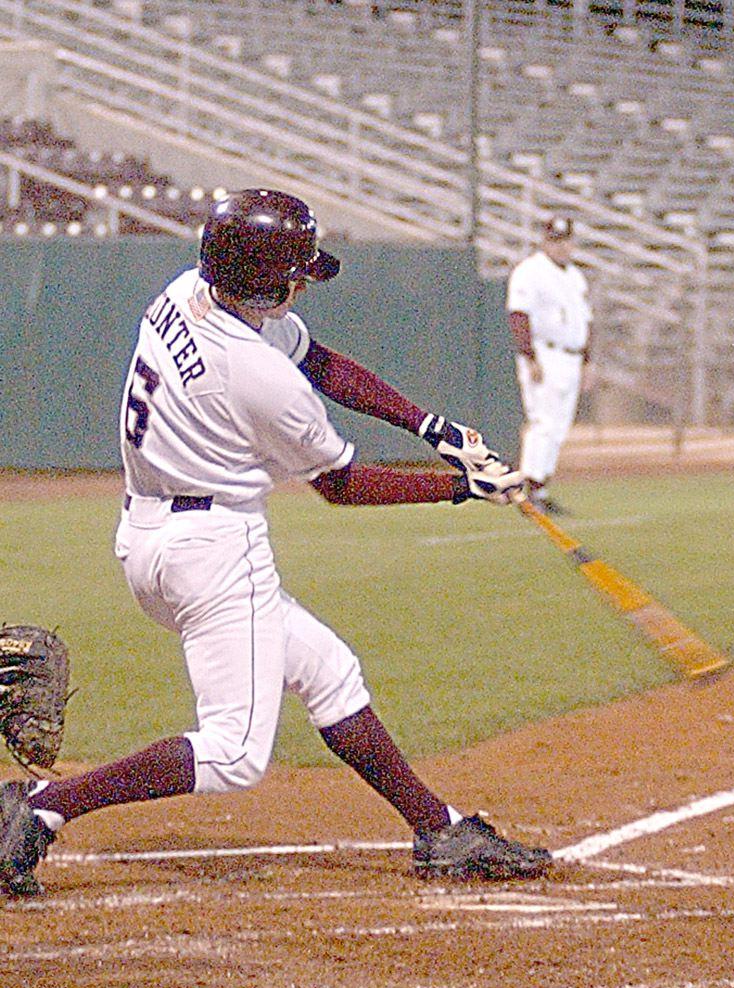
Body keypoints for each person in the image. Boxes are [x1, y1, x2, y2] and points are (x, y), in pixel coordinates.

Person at [0, 188, 552, 899]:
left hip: (149, 535)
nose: (301, 285)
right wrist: (462, 489)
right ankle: (39, 809)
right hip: (214, 552)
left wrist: (433, 429)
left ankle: (437, 828)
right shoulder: (257, 378)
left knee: (327, 670)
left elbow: (319, 362)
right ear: (267, 284)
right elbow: (341, 484)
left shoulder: (184, 292)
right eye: (293, 274)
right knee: (232, 752)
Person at [506, 215, 592, 515]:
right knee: (543, 421)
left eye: (565, 240)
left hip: (570, 355)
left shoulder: (575, 276)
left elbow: (585, 321)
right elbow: (519, 315)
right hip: (545, 352)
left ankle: (541, 487)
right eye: (555, 240)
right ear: (545, 241)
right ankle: (530, 489)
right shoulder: (530, 271)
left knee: (559, 426)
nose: (561, 246)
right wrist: (529, 356)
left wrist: (586, 361)